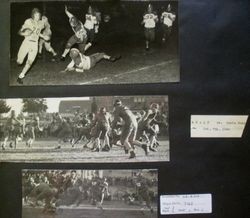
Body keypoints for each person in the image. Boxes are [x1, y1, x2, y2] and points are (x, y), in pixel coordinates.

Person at [16, 8, 47, 84]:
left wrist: (43, 36)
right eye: (36, 15)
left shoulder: (41, 23)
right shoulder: (28, 21)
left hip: (34, 45)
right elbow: (19, 31)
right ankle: (19, 61)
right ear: (33, 15)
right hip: (26, 42)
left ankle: (20, 77)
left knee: (30, 62)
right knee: (19, 62)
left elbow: (38, 31)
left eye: (39, 15)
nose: (37, 16)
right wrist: (24, 33)